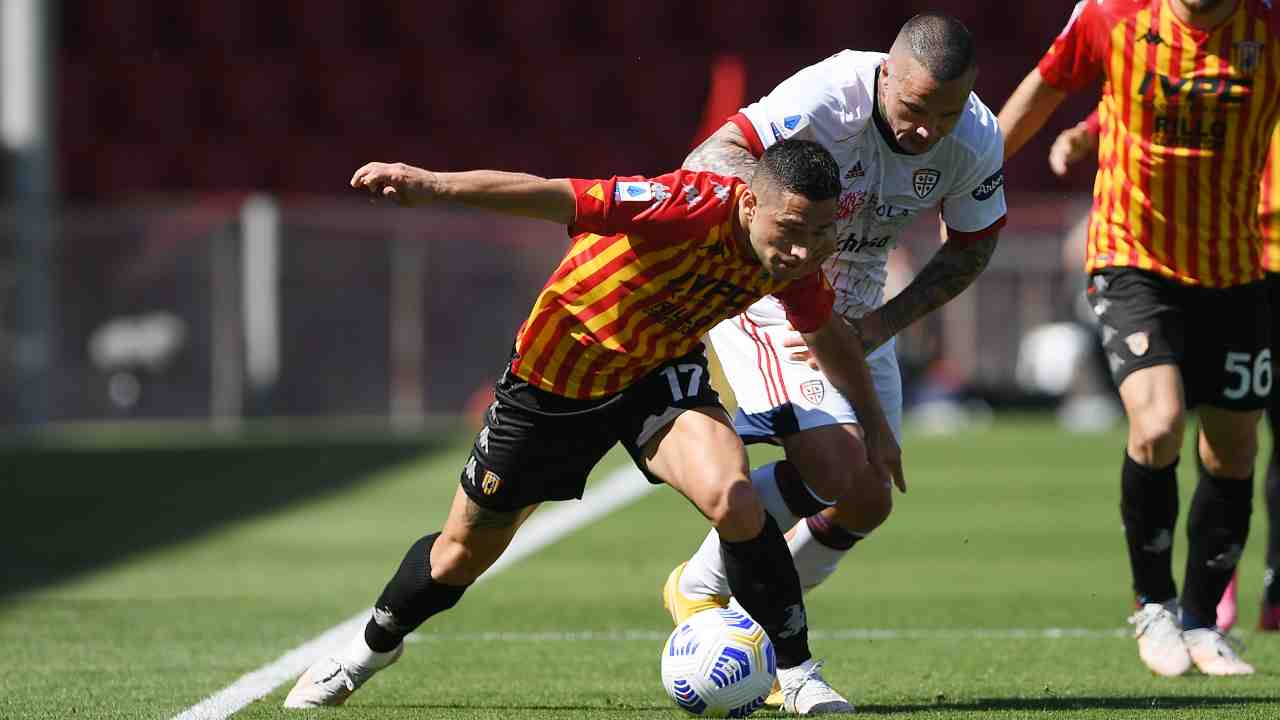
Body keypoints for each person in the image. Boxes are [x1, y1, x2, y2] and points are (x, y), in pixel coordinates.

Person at [282, 139, 900, 715]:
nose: (803, 250)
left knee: (734, 499)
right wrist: (435, 186)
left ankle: (796, 672)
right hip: (553, 386)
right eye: (791, 230)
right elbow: (557, 194)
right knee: (458, 557)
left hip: (656, 375)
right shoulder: (683, 204)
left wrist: (873, 425)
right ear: (748, 202)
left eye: (822, 234)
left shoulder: (796, 266)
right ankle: (370, 648)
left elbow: (827, 335)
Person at [662, 14, 1005, 706]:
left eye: (947, 112)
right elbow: (711, 156)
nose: (927, 130)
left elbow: (974, 246)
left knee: (868, 495)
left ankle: (720, 596)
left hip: (858, 305)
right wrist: (779, 234)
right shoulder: (830, 94)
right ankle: (713, 600)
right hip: (773, 286)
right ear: (886, 76)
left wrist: (881, 325)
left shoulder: (975, 137)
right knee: (838, 462)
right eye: (914, 109)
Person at [997, 0, 1280, 676]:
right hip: (1132, 257)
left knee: (1234, 448)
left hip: (1237, 268)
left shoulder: (1268, 29)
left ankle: (1203, 621)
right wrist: (968, 185)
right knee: (1157, 424)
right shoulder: (1109, 14)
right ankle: (1153, 603)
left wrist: (1091, 129)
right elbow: (1040, 89)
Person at [1049, 111, 1280, 633]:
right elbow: (1148, 94)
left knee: (1240, 439)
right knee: (1172, 424)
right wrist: (1087, 130)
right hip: (1227, 261)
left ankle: (1262, 595)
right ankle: (1182, 601)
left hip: (1244, 270)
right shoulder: (1241, 46)